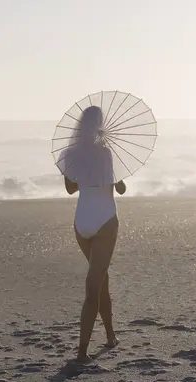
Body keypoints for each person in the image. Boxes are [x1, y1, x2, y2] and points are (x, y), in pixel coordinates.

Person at [58, 105, 126, 362]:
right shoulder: (106, 153)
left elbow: (70, 188)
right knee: (93, 285)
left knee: (101, 280)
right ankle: (82, 352)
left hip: (81, 222)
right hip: (105, 221)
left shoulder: (70, 154)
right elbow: (119, 188)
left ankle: (110, 335)